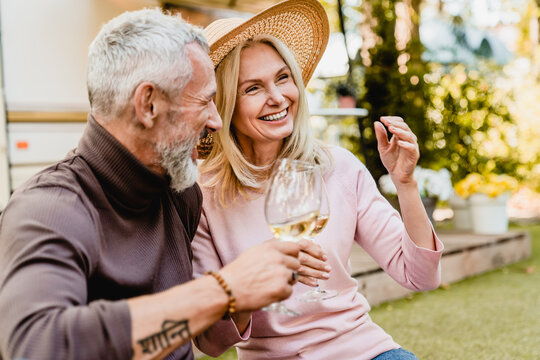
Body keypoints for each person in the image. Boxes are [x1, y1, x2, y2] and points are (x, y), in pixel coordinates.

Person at [0, 8, 310, 360]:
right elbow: (36, 346)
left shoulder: (182, 194)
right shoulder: (48, 208)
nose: (217, 121)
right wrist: (224, 290)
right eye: (206, 100)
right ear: (148, 104)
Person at [191, 0, 444, 359]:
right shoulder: (202, 196)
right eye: (253, 88)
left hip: (364, 351)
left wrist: (405, 184)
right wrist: (254, 278)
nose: (278, 97)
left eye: (282, 78)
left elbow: (421, 277)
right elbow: (212, 342)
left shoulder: (336, 166)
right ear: (225, 105)